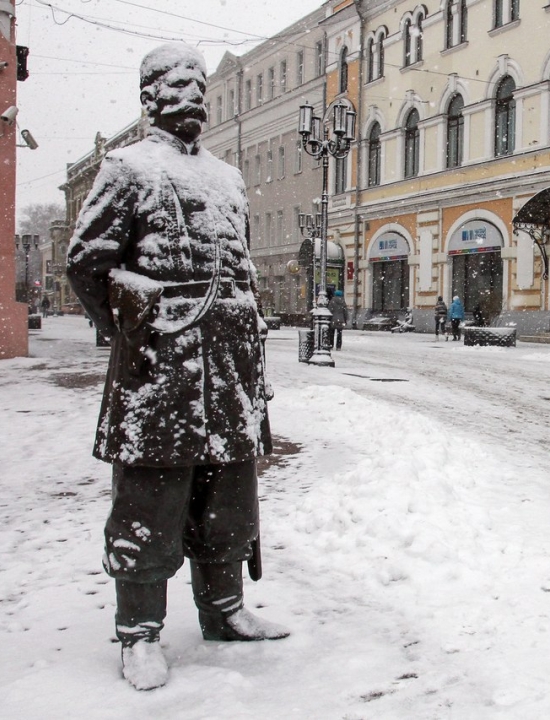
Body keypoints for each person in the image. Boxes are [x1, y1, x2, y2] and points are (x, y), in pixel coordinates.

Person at [66, 44, 288, 692]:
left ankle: (223, 610)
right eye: (173, 83)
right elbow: (87, 262)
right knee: (151, 502)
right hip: (160, 368)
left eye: (197, 84)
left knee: (228, 499)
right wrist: (132, 329)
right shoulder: (127, 167)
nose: (188, 93)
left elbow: (240, 267)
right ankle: (139, 631)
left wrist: (249, 348)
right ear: (149, 96)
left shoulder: (227, 176)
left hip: (228, 366)